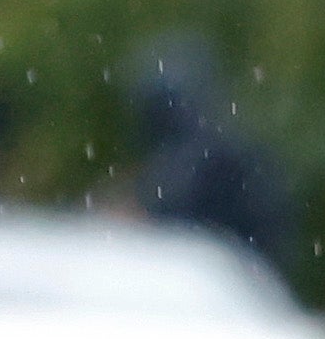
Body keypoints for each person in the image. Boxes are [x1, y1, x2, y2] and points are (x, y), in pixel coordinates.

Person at [118, 42, 295, 279]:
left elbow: (171, 215)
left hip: (218, 274)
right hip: (235, 274)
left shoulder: (194, 158)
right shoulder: (225, 147)